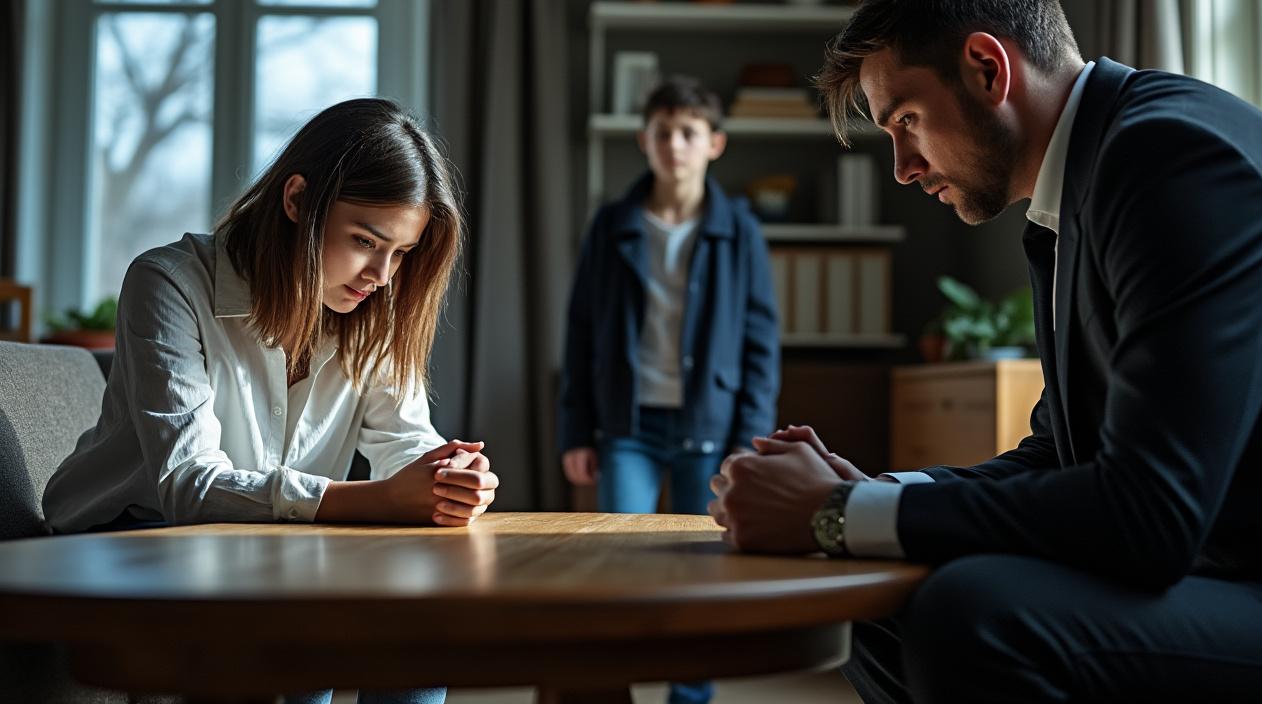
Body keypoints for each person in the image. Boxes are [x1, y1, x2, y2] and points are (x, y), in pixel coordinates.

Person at [708, 0, 1262, 702]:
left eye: (906, 119)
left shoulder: (1172, 160)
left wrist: (843, 513)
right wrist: (873, 493)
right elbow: (1059, 454)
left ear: (987, 68)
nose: (904, 167)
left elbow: (1150, 515)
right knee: (875, 594)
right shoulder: (1078, 194)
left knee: (972, 615)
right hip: (1226, 574)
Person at [42, 98, 498, 704]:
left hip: (267, 549)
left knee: (416, 636)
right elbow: (190, 488)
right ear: (297, 201)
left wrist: (448, 474)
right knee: (304, 648)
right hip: (125, 541)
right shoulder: (169, 283)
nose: (382, 276)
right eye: (366, 240)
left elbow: (405, 438)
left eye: (402, 253)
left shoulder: (370, 309)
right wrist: (382, 498)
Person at [557, 76, 779, 704]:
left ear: (715, 143)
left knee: (700, 572)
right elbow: (578, 332)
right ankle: (610, 687)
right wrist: (575, 430)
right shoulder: (612, 225)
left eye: (688, 132)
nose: (674, 145)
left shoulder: (739, 230)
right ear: (643, 140)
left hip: (708, 427)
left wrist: (748, 442)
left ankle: (691, 696)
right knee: (617, 566)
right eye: (662, 132)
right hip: (626, 425)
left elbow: (760, 346)